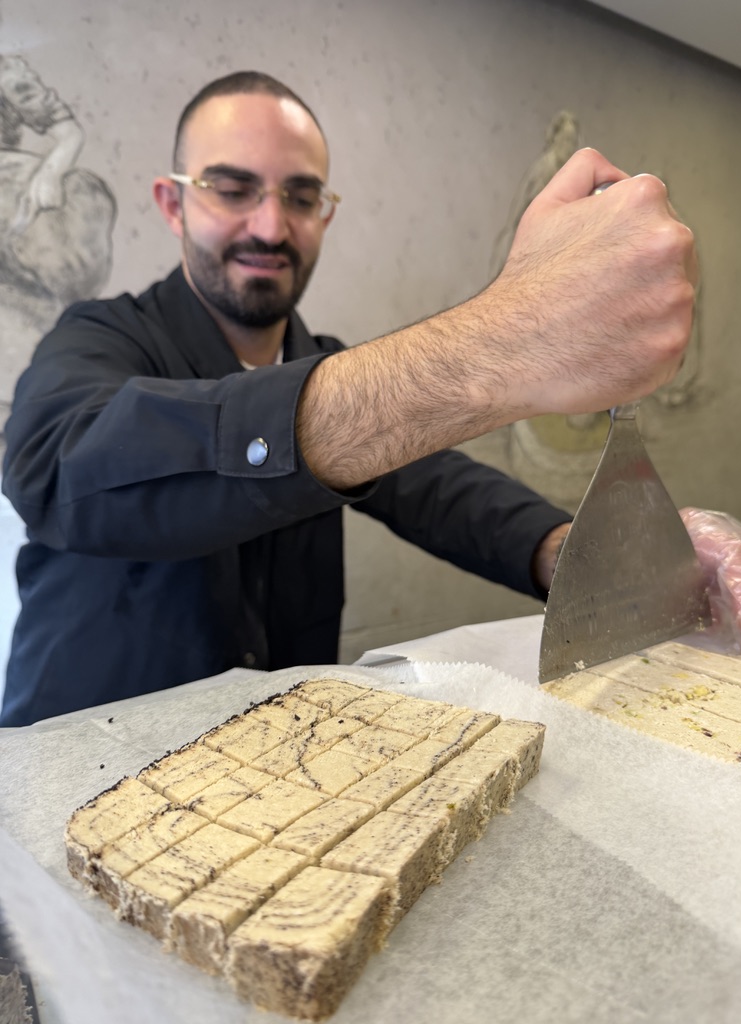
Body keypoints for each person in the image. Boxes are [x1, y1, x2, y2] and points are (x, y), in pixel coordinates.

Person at [0, 71, 698, 727]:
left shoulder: (326, 363)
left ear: (325, 215)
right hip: (71, 770)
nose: (271, 229)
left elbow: (435, 483)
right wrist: (499, 343)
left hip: (269, 770)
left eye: (301, 197)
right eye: (231, 188)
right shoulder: (98, 339)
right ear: (172, 202)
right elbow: (58, 470)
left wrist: (575, 552)